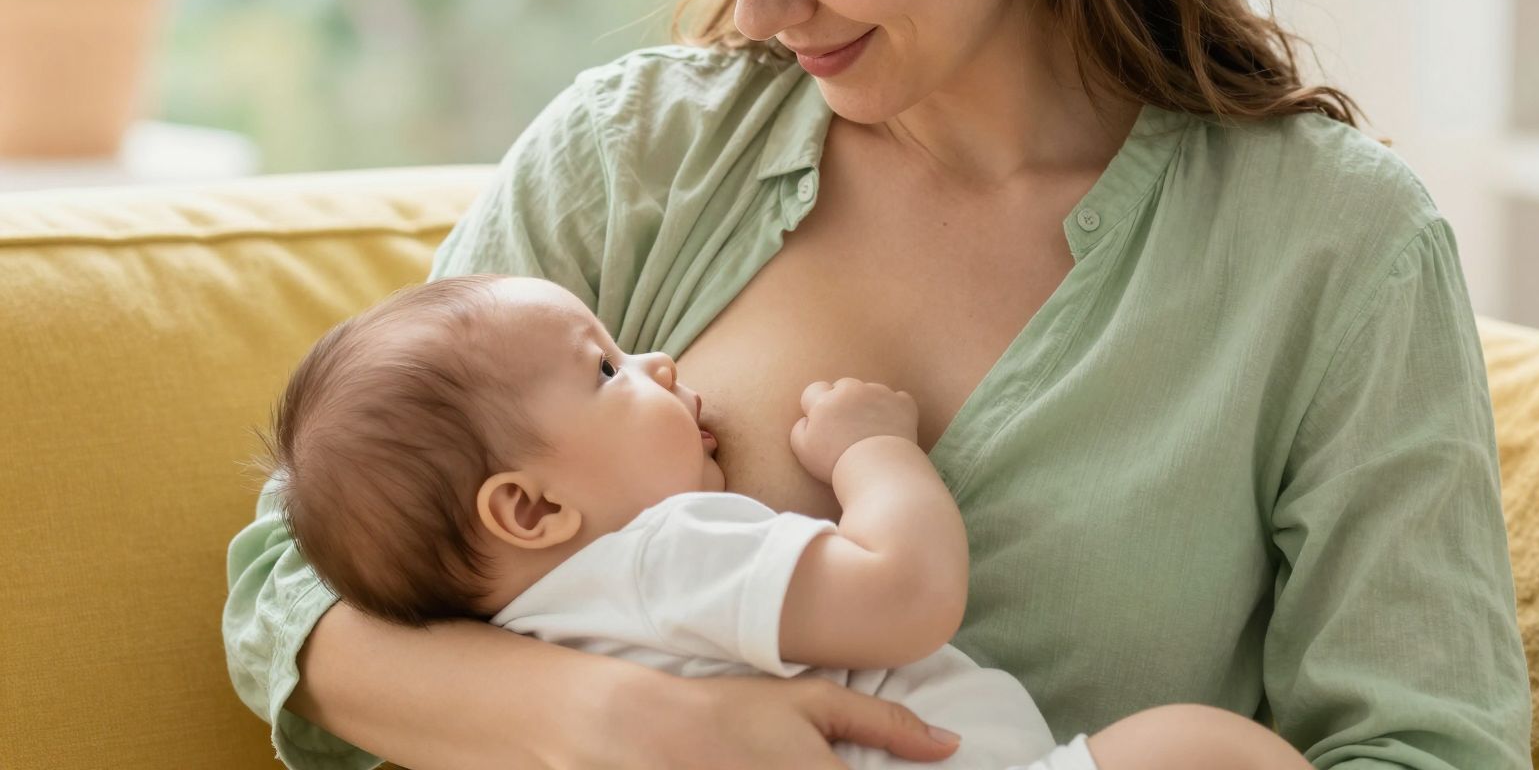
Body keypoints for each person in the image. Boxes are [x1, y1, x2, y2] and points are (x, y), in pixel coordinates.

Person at [223, 0, 1535, 767]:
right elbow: (294, 582)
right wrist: (621, 722)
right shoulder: (636, 157)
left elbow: (1428, 745)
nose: (755, 5)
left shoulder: (1329, 248)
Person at [263, 273, 1314, 770]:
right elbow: (906, 597)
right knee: (1199, 752)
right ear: (531, 507)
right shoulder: (661, 557)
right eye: (607, 369)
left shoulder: (520, 637)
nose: (656, 360)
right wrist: (873, 453)